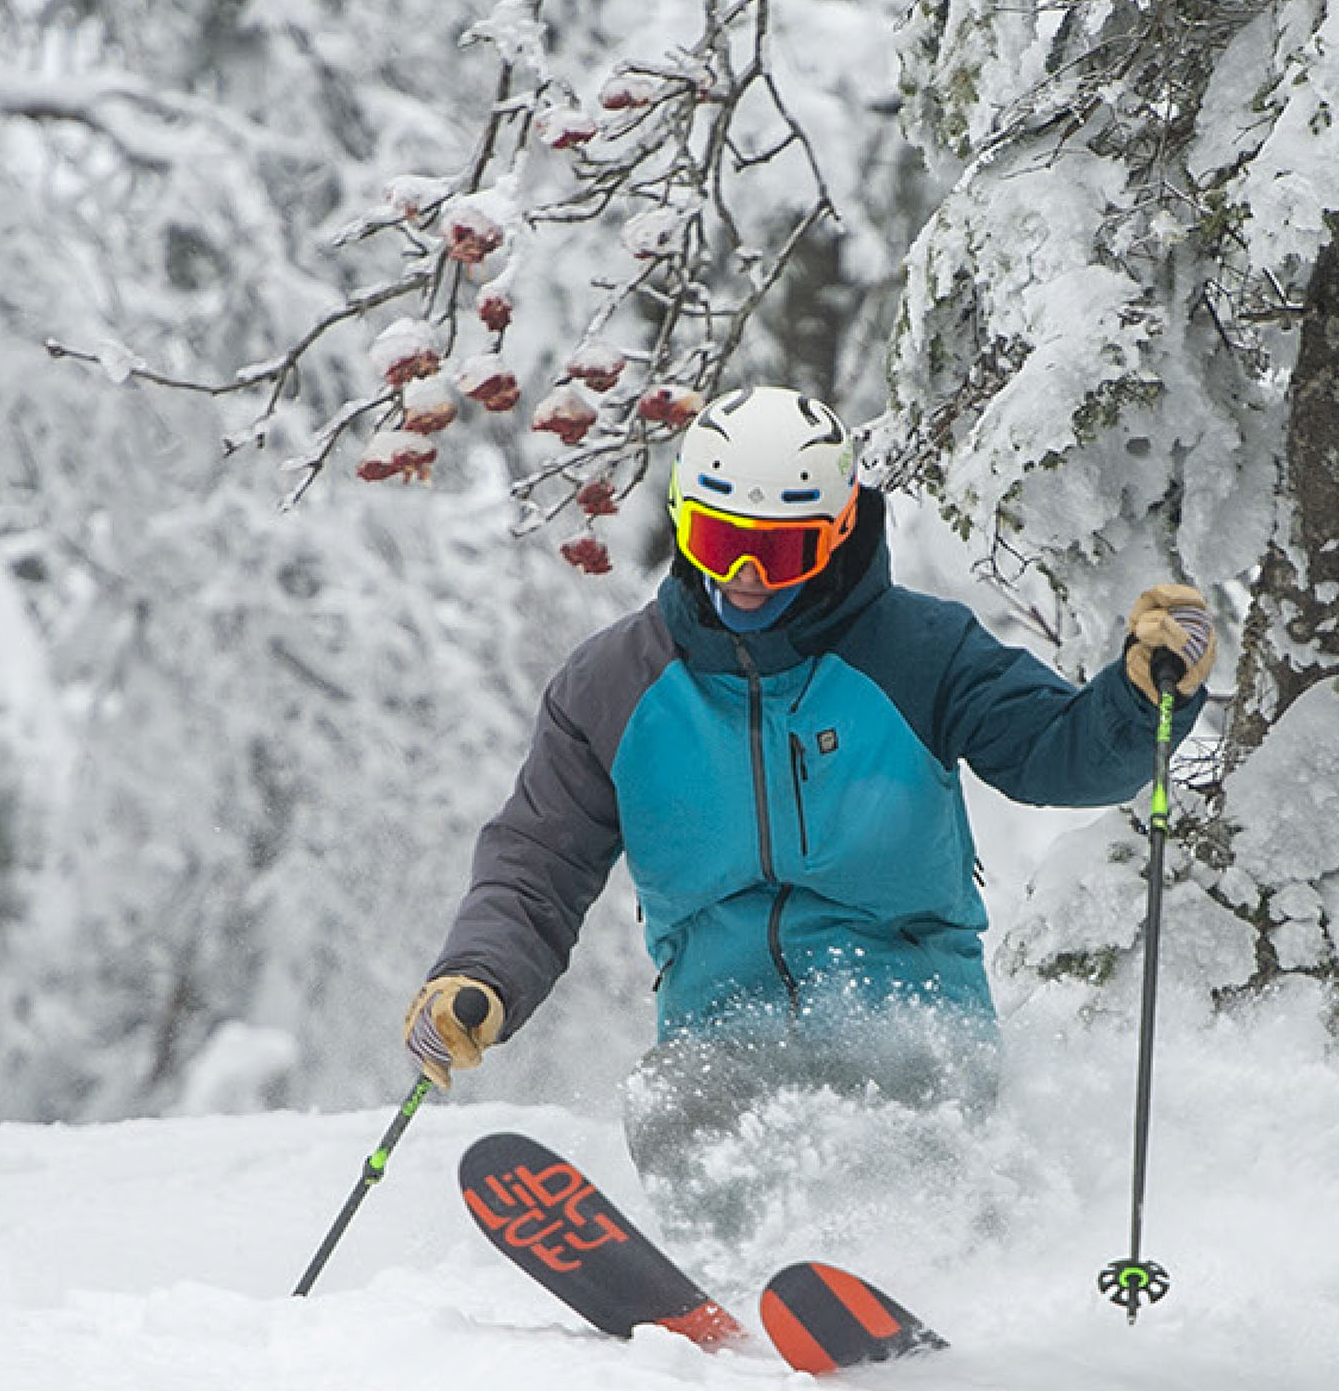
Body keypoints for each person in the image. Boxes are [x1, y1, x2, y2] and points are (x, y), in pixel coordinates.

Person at [402, 387, 1214, 1189]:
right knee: (673, 1106)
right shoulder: (614, 687)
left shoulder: (920, 653)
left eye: (781, 552)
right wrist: (480, 972)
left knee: (899, 1140)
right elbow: (537, 859)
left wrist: (1138, 704)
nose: (747, 577)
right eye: (720, 542)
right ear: (684, 522)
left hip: (910, 1022)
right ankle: (732, 1288)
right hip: (720, 1035)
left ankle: (920, 1273)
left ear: (832, 537)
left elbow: (1057, 755)